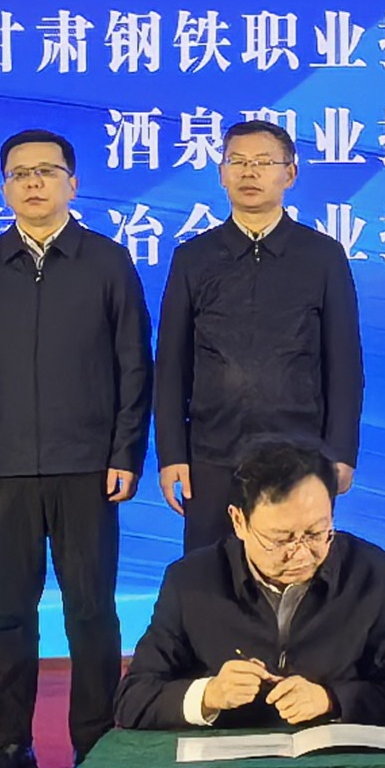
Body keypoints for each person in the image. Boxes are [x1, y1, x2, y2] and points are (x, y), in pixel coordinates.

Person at [0, 127, 154, 768]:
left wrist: (125, 453)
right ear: (5, 189)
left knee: (92, 612)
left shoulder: (108, 261)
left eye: (47, 171)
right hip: (1, 469)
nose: (33, 182)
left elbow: (134, 367)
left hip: (88, 467)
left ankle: (95, 740)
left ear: (72, 184)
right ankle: (11, 745)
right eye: (19, 173)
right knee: (8, 614)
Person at [156, 118, 363, 553]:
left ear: (290, 173)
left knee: (294, 570)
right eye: (238, 161)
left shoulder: (322, 256)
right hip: (212, 456)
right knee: (209, 574)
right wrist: (172, 454)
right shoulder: (193, 258)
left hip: (300, 453)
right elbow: (172, 366)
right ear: (222, 173)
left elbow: (344, 364)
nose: (249, 172)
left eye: (264, 162)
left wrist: (341, 452)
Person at [118, 439, 385, 730]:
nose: (301, 554)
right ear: (239, 521)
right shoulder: (191, 581)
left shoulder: (374, 573)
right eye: (280, 540)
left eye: (316, 533)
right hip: (226, 758)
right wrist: (209, 695)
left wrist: (331, 700)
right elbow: (132, 699)